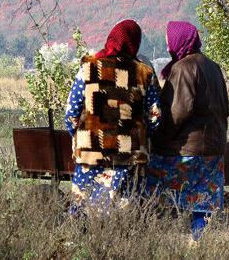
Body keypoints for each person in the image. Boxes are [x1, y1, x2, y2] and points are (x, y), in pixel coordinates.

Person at [64, 19, 161, 215]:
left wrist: (78, 135)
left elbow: (72, 113)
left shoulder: (89, 67)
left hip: (91, 152)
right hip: (130, 153)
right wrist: (142, 136)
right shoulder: (145, 73)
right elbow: (155, 117)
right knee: (124, 212)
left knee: (83, 210)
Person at [145, 21, 229, 241]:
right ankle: (199, 239)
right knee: (203, 199)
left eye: (168, 40)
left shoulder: (183, 67)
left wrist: (157, 138)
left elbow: (176, 113)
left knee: (149, 180)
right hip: (214, 148)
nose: (166, 46)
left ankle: (158, 238)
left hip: (188, 150)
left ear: (179, 39)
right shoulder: (213, 66)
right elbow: (226, 109)